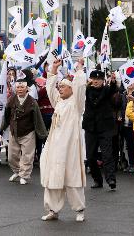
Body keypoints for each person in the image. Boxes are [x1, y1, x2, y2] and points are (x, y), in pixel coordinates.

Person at [40, 59, 86, 222]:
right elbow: (49, 87)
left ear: (71, 89)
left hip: (70, 147)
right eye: (60, 87)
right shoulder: (58, 101)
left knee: (72, 179)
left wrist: (79, 70)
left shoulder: (77, 104)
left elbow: (81, 87)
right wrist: (53, 69)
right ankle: (53, 210)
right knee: (53, 178)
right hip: (54, 146)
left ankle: (79, 210)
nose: (60, 89)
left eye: (63, 87)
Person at [1, 78, 47, 185]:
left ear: (27, 89)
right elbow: (7, 115)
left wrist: (42, 134)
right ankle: (17, 172)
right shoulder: (11, 100)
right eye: (18, 87)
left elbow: (38, 118)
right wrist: (2, 127)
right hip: (14, 131)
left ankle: (24, 175)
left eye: (22, 87)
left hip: (28, 132)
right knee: (11, 156)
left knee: (27, 156)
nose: (20, 89)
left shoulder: (32, 102)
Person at [83, 69, 118, 190]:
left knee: (107, 154)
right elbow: (78, 90)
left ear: (103, 80)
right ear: (91, 80)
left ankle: (111, 179)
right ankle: (97, 179)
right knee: (90, 156)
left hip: (105, 127)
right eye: (94, 79)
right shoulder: (86, 90)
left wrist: (113, 81)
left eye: (99, 79)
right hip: (90, 127)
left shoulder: (107, 90)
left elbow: (113, 90)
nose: (96, 81)